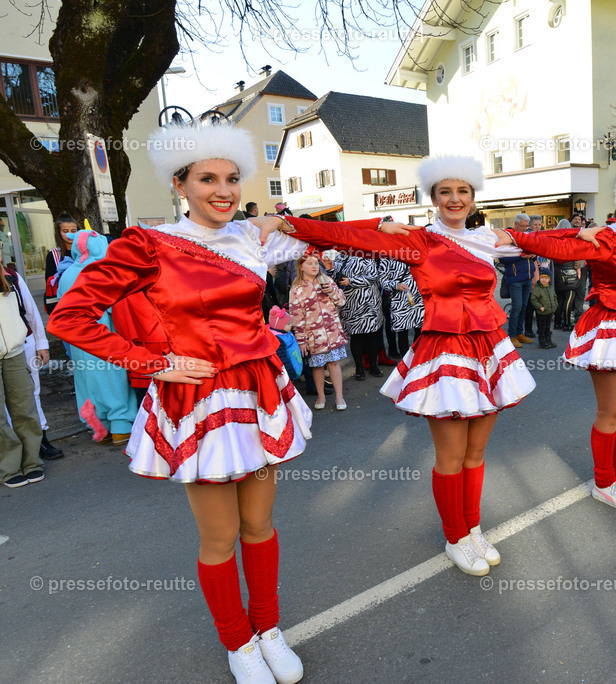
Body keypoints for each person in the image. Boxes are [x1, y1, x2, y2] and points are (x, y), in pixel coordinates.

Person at [47, 122, 390, 683]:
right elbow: (70, 316)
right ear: (179, 183)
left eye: (232, 178)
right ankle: (239, 643)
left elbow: (338, 239)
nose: (223, 190)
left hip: (257, 391)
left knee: (260, 524)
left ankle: (269, 629)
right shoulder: (148, 244)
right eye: (207, 179)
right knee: (219, 534)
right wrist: (151, 363)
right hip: (196, 398)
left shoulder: (252, 238)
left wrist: (288, 221)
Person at [273, 156, 549, 577]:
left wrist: (592, 233)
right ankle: (455, 536)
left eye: (462, 191)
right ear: (433, 198)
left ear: (474, 197)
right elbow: (339, 235)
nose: (454, 199)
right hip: (444, 352)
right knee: (451, 456)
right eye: (445, 192)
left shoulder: (487, 239)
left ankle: (473, 528)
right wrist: (290, 223)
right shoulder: (418, 241)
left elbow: (555, 243)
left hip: (489, 350)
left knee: (476, 453)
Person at [500, 168, 616, 507]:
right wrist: (516, 236)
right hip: (611, 326)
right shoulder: (605, 238)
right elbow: (555, 245)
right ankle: (603, 482)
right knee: (611, 412)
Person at [55, 230, 138, 444]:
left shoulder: (67, 275)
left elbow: (60, 306)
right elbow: (115, 307)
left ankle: (99, 426)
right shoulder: (104, 271)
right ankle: (120, 425)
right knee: (113, 379)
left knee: (87, 381)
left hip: (78, 341)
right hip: (105, 336)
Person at [0, 267, 45, 488]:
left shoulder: (10, 277)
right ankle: (9, 468)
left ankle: (32, 462)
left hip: (15, 351)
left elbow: (29, 311)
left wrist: (41, 342)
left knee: (24, 408)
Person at [289, 251, 348, 411]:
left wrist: (332, 291)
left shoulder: (327, 280)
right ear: (301, 266)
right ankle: (321, 396)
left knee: (334, 363)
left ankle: (339, 397)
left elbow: (341, 302)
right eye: (309, 263)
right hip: (313, 335)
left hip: (332, 332)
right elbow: (296, 316)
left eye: (316, 263)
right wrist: (301, 340)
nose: (314, 266)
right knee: (317, 366)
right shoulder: (296, 289)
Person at [332, 253, 384, 380]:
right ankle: (359, 368)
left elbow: (373, 276)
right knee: (356, 337)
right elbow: (333, 280)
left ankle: (373, 366)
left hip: (369, 303)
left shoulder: (366, 255)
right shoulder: (339, 258)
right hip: (350, 304)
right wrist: (330, 270)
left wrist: (351, 281)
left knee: (373, 336)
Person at [498, 213, 536, 348]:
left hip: (527, 277)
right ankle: (512, 335)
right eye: (522, 226)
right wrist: (521, 256)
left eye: (526, 226)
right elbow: (502, 258)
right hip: (515, 279)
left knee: (523, 307)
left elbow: (533, 255)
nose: (525, 229)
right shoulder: (507, 238)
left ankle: (520, 333)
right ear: (515, 224)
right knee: (517, 307)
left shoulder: (527, 236)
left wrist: (533, 255)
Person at [379, 256, 424, 357]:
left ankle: (417, 357)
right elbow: (382, 280)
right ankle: (406, 360)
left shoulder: (416, 253)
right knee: (402, 332)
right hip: (399, 300)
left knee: (420, 330)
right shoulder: (387, 256)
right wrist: (396, 285)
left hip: (418, 297)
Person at [44, 213, 77, 314]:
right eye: (65, 231)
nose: (69, 234)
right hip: (63, 304)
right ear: (59, 232)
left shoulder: (85, 252)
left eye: (73, 231)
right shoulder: (54, 255)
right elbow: (50, 282)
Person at [530, 269, 558, 349]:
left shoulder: (550, 288)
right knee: (542, 327)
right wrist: (540, 307)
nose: (544, 280)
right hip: (542, 312)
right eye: (542, 278)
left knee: (548, 327)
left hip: (549, 311)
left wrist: (555, 305)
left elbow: (554, 297)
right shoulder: (538, 288)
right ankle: (542, 341)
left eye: (546, 278)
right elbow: (533, 299)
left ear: (549, 279)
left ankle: (548, 340)